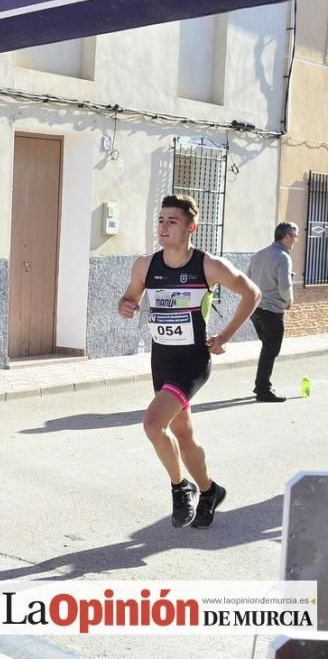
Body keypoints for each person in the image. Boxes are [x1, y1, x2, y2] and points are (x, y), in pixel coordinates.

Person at [118, 195, 261, 529]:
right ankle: (210, 491)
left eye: (173, 222)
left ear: (190, 227)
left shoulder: (208, 266)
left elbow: (252, 293)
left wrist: (224, 336)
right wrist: (124, 305)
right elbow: (129, 297)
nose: (164, 227)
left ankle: (180, 488)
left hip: (192, 361)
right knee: (184, 436)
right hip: (162, 360)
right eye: (161, 221)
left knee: (154, 424)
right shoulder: (145, 265)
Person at [247, 222, 299, 402]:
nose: (296, 239)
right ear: (286, 237)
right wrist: (288, 301)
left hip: (256, 310)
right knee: (271, 350)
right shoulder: (283, 256)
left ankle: (261, 386)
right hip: (272, 310)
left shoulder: (258, 255)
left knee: (267, 348)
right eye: (295, 236)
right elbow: (285, 285)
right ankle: (262, 389)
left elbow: (248, 280)